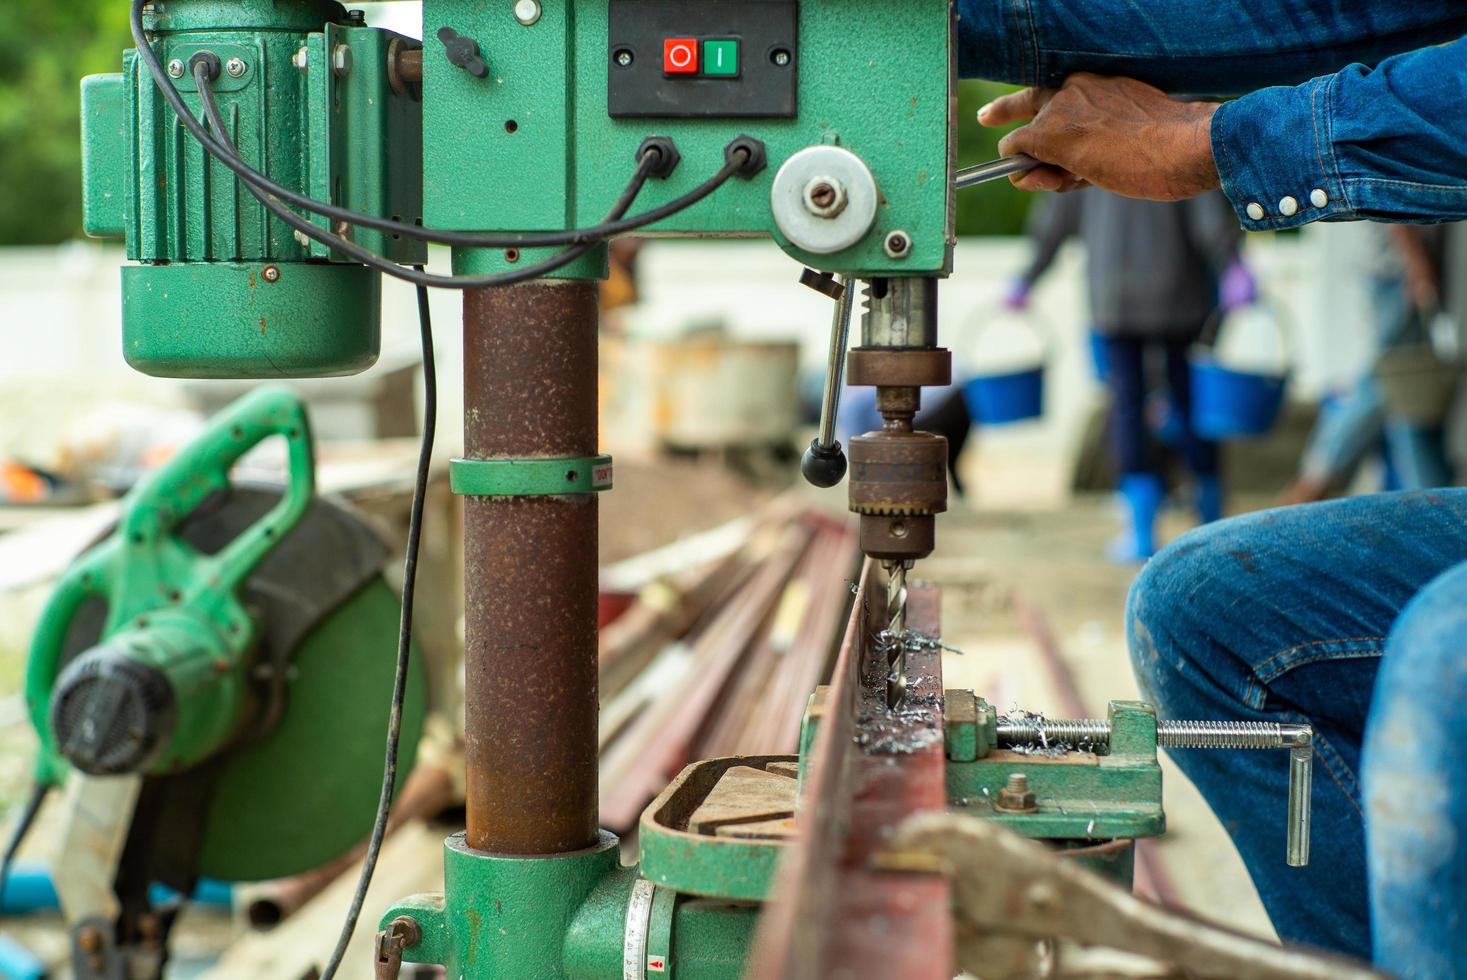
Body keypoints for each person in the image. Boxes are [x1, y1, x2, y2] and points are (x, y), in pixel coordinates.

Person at [957, 6, 1467, 975]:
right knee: (1191, 602)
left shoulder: (1146, 168)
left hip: (1169, 309)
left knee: (1442, 669)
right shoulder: (1085, 161)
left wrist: (1200, 146)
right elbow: (1339, 16)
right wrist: (983, 25)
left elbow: (1203, 195)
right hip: (1127, 313)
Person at [1008, 189, 1251, 559]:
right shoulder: (1176, 131)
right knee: (1193, 404)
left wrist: (1028, 276)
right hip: (1180, 296)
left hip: (1114, 300)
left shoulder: (1081, 138)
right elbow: (1207, 215)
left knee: (1126, 407)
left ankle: (1141, 532)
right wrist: (1230, 262)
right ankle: (1210, 520)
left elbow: (1055, 219)